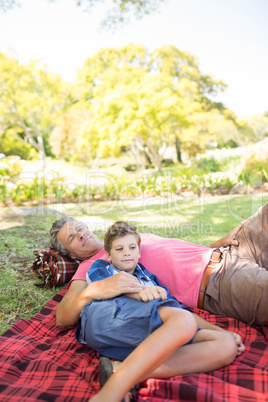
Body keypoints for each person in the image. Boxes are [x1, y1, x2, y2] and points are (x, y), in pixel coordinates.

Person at [76, 221, 244, 402]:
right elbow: (110, 285)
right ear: (108, 254)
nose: (126, 252)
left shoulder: (150, 279)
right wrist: (138, 292)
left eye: (132, 247)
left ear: (139, 252)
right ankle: (109, 394)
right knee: (182, 320)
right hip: (108, 319)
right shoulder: (101, 268)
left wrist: (222, 331)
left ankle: (119, 369)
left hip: (146, 331)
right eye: (119, 249)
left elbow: (180, 312)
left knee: (226, 346)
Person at [50, 201, 268, 326]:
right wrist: (90, 292)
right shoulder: (88, 267)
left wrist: (215, 245)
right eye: (71, 238)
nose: (80, 235)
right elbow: (62, 316)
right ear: (71, 255)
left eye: (78, 228)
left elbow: (174, 255)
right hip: (218, 282)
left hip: (228, 251)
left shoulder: (123, 234)